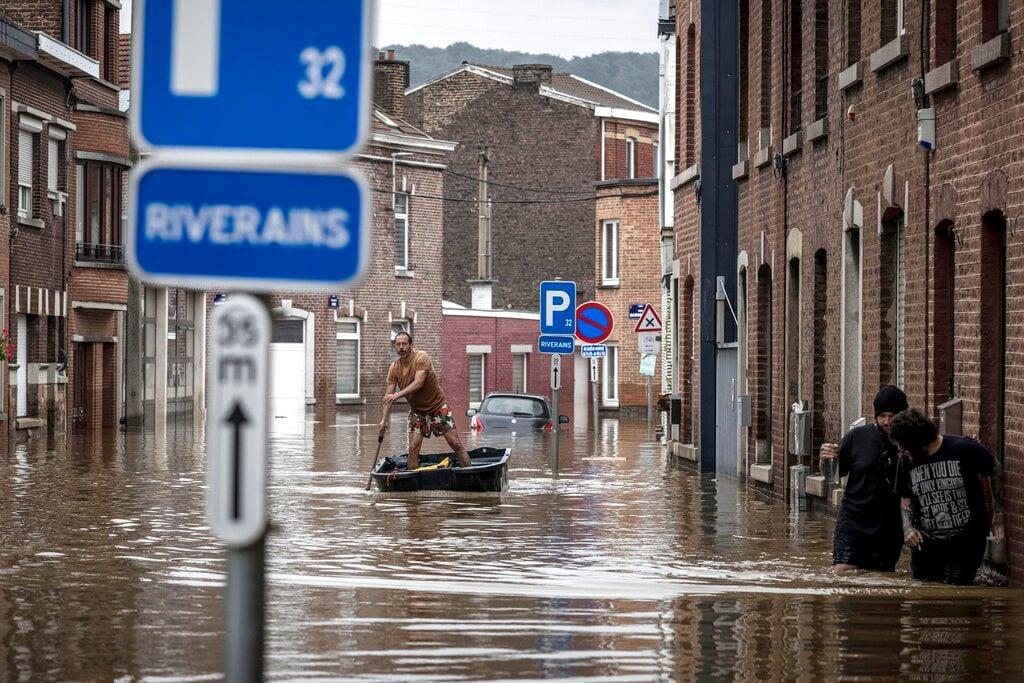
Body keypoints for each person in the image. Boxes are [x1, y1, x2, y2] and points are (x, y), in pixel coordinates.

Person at [890, 408, 1004, 585]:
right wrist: (908, 528)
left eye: (904, 448)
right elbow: (905, 498)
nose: (903, 452)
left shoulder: (963, 448)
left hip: (966, 539)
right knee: (925, 594)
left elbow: (994, 468)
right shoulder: (905, 461)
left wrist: (999, 514)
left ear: (918, 442)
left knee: (958, 593)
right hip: (926, 541)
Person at [819, 386, 908, 573]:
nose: (886, 421)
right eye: (882, 415)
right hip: (853, 519)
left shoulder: (910, 444)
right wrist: (825, 460)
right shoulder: (857, 437)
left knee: (881, 577)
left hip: (889, 525)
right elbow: (832, 475)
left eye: (892, 415)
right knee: (843, 570)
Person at [378, 331, 471, 469]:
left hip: (438, 406)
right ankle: (411, 482)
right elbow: (388, 398)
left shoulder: (421, 357)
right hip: (417, 412)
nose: (401, 347)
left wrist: (397, 395)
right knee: (413, 447)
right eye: (398, 345)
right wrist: (383, 421)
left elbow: (418, 383)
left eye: (404, 344)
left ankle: (468, 472)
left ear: (411, 345)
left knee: (455, 443)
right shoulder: (394, 368)